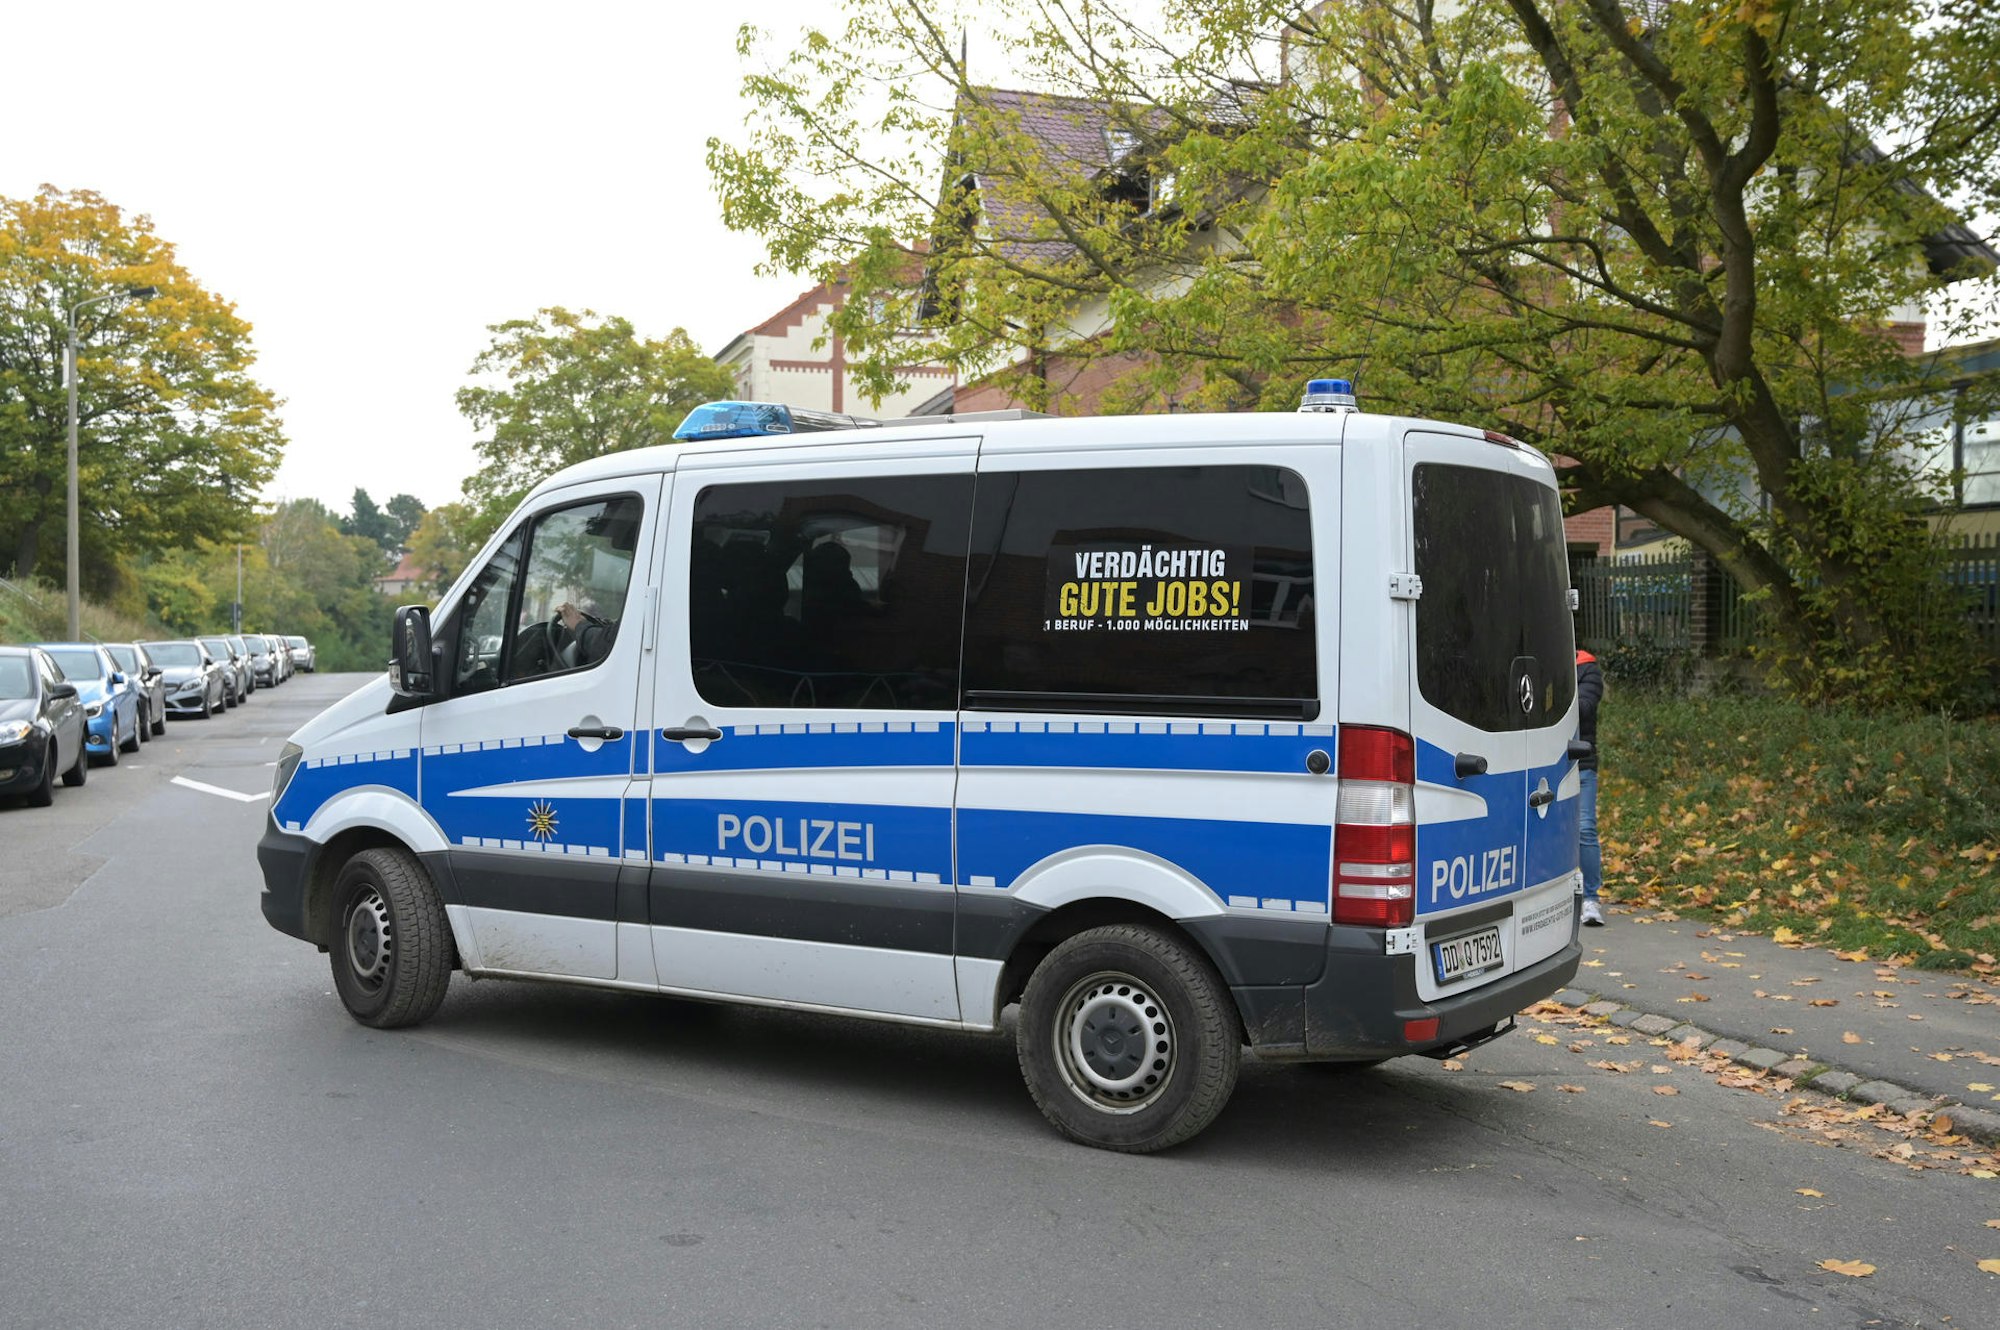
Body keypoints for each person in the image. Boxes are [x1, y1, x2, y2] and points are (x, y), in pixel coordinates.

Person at [1576, 646, 1606, 926]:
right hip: (1546, 763)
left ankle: (1590, 899)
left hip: (1581, 765)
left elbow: (1584, 707)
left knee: (1585, 827)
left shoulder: (1587, 669)